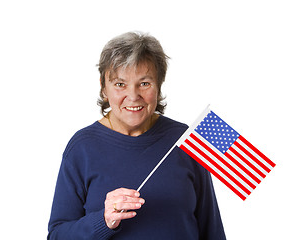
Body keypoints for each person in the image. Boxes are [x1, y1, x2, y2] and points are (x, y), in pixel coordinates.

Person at [47, 32, 226, 240]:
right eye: (120, 84)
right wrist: (103, 221)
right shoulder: (82, 148)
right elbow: (57, 235)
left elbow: (211, 230)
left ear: (159, 85)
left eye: (144, 83)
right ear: (103, 88)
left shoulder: (184, 140)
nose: (133, 96)